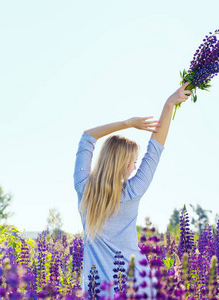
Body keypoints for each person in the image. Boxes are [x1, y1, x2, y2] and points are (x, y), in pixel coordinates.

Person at [73, 82, 192, 298]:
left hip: (97, 289)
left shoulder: (83, 188)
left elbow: (88, 137)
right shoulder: (132, 192)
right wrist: (169, 105)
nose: (135, 166)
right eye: (133, 162)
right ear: (122, 165)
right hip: (137, 287)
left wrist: (128, 123)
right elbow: (155, 149)